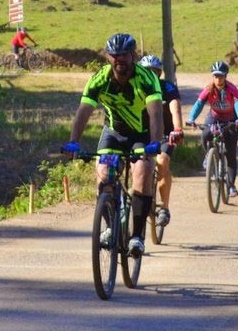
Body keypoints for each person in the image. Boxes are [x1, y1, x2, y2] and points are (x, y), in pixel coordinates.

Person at [63, 34, 164, 258]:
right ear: (108, 57)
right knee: (103, 173)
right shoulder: (100, 79)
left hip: (141, 134)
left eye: (124, 55)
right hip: (113, 134)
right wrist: (74, 142)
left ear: (133, 55)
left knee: (142, 171)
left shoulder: (147, 78)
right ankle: (110, 227)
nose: (119, 60)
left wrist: (156, 142)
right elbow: (83, 112)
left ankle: (136, 236)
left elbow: (156, 114)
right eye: (114, 56)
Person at [187, 61, 238, 198]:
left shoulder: (232, 89)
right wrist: (191, 118)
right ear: (212, 77)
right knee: (205, 133)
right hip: (214, 117)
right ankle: (208, 154)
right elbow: (199, 104)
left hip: (231, 120)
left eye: (221, 76)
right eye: (215, 76)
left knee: (230, 154)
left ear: (225, 76)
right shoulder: (208, 89)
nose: (218, 79)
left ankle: (231, 186)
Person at [138, 54, 183, 227]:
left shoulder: (167, 87)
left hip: (165, 134)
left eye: (154, 72)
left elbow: (175, 108)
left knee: (162, 161)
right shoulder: (136, 88)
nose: (151, 75)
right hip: (141, 134)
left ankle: (164, 207)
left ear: (159, 73)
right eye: (147, 71)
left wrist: (177, 129)